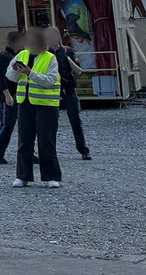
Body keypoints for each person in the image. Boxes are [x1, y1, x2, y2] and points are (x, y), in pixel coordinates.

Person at [7, 27, 61, 188]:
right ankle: (22, 176)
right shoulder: (21, 55)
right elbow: (9, 75)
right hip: (25, 103)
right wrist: (17, 71)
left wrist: (30, 73)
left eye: (31, 39)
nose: (28, 42)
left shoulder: (50, 58)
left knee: (47, 141)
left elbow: (50, 80)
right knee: (24, 140)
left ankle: (51, 176)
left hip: (46, 105)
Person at [54, 28, 91, 160]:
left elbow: (78, 71)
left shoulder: (67, 51)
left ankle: (83, 149)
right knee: (51, 122)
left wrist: (68, 59)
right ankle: (50, 150)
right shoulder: (45, 54)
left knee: (75, 120)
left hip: (68, 89)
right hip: (53, 91)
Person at [0, 30, 21, 164]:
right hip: (8, 95)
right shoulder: (4, 57)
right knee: (7, 125)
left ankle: (27, 152)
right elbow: (1, 78)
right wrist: (7, 95)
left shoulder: (17, 56)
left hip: (18, 94)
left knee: (21, 125)